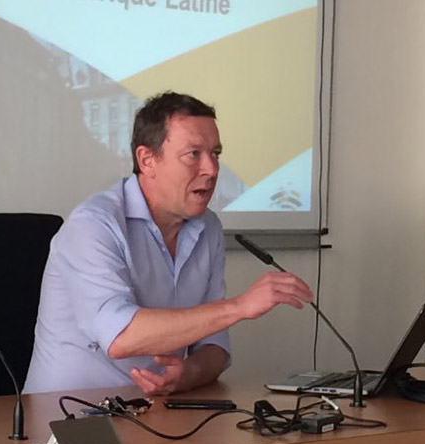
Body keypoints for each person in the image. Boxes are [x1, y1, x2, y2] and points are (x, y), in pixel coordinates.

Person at [23, 91, 313, 395]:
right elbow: (120, 335)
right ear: (147, 160)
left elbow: (214, 347)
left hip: (154, 410)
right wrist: (239, 306)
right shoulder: (93, 224)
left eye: (215, 154)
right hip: (67, 412)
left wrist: (188, 373)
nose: (212, 169)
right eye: (193, 154)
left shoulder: (208, 227)